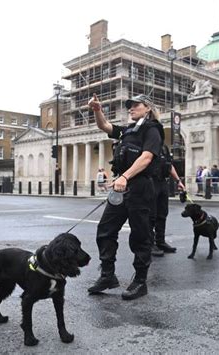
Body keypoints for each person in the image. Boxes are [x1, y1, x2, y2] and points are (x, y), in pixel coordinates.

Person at [87, 93, 163, 300]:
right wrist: (97, 110)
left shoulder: (152, 129)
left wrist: (125, 177)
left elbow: (146, 158)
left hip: (140, 187)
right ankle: (107, 276)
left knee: (140, 236)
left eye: (135, 105)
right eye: (129, 106)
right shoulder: (128, 130)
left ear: (147, 108)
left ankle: (140, 282)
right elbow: (105, 126)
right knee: (105, 230)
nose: (131, 108)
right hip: (121, 187)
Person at [149, 146, 185, 257]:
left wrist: (178, 181)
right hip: (151, 181)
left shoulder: (163, 148)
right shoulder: (146, 144)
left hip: (162, 182)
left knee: (162, 213)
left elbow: (169, 166)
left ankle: (160, 241)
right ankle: (150, 244)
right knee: (151, 215)